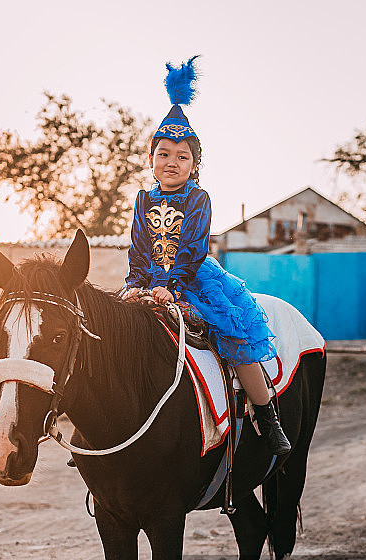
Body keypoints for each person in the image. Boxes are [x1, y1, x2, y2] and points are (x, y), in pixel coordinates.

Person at [123, 56, 291, 457]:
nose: (172, 162)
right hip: (148, 281)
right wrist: (137, 282)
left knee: (235, 337)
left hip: (195, 279)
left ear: (194, 166)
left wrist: (171, 285)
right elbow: (139, 245)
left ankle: (269, 421)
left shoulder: (198, 199)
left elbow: (194, 247)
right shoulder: (142, 199)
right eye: (164, 154)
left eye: (182, 157)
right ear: (151, 160)